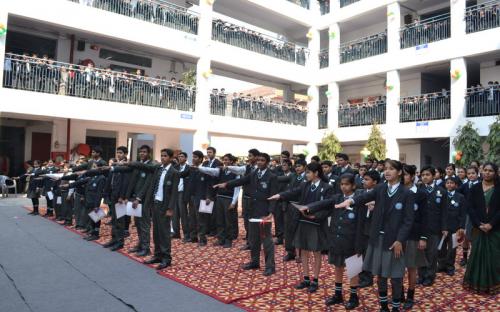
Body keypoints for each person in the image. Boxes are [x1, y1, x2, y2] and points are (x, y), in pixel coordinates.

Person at [328, 159, 414, 312]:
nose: (387, 172)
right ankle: (383, 306)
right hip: (377, 239)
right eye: (386, 169)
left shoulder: (406, 193)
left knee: (395, 276)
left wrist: (400, 240)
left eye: (391, 169)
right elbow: (364, 197)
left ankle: (395, 307)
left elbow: (408, 221)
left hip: (394, 240)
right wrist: (351, 201)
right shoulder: (380, 188)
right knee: (380, 274)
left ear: (399, 172)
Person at [268, 162, 333, 293]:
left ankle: (315, 280)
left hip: (317, 223)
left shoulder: (327, 187)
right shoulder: (305, 185)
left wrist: (316, 216)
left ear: (316, 173)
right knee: (303, 251)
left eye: (308, 172)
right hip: (303, 221)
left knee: (316, 252)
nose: (306, 175)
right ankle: (306, 278)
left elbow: (329, 206)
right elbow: (292, 192)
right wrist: (280, 195)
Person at [304, 173, 364, 309]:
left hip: (353, 241)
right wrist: (309, 207)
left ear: (353, 185)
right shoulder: (337, 198)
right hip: (337, 239)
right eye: (341, 184)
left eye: (347, 184)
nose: (343, 187)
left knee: (353, 270)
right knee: (338, 267)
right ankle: (338, 294)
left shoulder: (359, 200)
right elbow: (324, 203)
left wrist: (360, 244)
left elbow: (361, 225)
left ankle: (354, 297)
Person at [214, 153, 278, 276]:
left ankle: (270, 266)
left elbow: (273, 196)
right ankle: (254, 262)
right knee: (253, 239)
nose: (259, 162)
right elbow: (241, 180)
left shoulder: (272, 176)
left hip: (264, 212)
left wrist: (271, 212)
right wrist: (226, 184)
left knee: (266, 240)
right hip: (252, 210)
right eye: (258, 160)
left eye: (262, 160)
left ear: (267, 162)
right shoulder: (254, 173)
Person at [463, 162, 500, 295]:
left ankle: (494, 284)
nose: (487, 173)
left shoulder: (498, 188)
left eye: (490, 171)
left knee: (494, 257)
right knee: (477, 256)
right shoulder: (475, 188)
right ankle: (476, 282)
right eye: (485, 170)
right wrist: (478, 224)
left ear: (495, 173)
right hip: (478, 228)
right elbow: (470, 208)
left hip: (495, 229)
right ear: (481, 171)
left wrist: (491, 224)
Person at [140, 149, 180, 270]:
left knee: (164, 232)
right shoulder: (158, 169)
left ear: (171, 158)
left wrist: (170, 208)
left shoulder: (174, 172)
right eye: (161, 156)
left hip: (165, 206)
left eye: (165, 156)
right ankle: (157, 255)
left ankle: (166, 258)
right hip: (155, 203)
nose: (163, 158)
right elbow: (152, 185)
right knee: (156, 231)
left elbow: (174, 193)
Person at [401, 164, 428, 310]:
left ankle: (410, 295)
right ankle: (399, 295)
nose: (402, 178)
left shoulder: (421, 193)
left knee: (411, 267)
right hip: (397, 236)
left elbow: (424, 217)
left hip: (413, 235)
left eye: (405, 175)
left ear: (412, 176)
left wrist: (423, 237)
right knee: (397, 268)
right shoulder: (396, 192)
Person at [418, 166, 448, 287]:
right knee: (420, 252)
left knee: (432, 253)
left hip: (435, 227)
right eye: (423, 175)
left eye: (427, 174)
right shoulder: (417, 190)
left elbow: (444, 211)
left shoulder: (441, 191)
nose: (425, 177)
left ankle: (430, 275)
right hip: (420, 227)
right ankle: (421, 274)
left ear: (434, 175)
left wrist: (444, 227)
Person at [125, 145, 156, 257]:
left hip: (143, 200)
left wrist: (139, 198)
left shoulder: (151, 166)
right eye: (140, 152)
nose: (142, 154)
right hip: (134, 198)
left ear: (149, 153)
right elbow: (133, 181)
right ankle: (140, 244)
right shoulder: (138, 165)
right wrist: (128, 197)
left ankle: (146, 248)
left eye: (144, 152)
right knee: (137, 223)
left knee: (144, 224)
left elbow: (147, 185)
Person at [101, 146, 132, 251]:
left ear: (125, 154)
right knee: (114, 219)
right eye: (117, 152)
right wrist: (107, 193)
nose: (118, 154)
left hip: (120, 197)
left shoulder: (126, 165)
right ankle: (113, 239)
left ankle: (119, 242)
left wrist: (122, 196)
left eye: (121, 153)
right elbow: (110, 180)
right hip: (113, 195)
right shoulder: (114, 164)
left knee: (120, 220)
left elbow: (126, 183)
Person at [438, 176, 466, 276]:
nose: (449, 184)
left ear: (456, 185)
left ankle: (450, 266)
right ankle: (441, 265)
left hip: (455, 227)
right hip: (442, 227)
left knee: (452, 248)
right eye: (447, 183)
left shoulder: (460, 197)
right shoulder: (441, 195)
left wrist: (462, 227)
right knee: (441, 247)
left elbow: (463, 214)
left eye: (451, 183)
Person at [358, 170, 381, 289]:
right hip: (360, 227)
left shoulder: (380, 194)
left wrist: (376, 206)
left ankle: (368, 277)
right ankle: (360, 276)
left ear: (375, 182)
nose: (363, 181)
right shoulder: (360, 192)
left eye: (367, 179)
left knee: (368, 254)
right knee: (359, 252)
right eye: (363, 179)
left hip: (372, 228)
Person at [457, 166, 480, 266]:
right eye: (469, 173)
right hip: (466, 214)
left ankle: (474, 258)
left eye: (473, 173)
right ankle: (465, 258)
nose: (471, 175)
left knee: (475, 236)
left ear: (477, 174)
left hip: (477, 214)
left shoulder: (481, 185)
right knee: (466, 236)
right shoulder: (465, 185)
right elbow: (457, 193)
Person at [173, 152, 191, 241]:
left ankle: (187, 235)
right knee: (174, 214)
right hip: (174, 193)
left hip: (183, 193)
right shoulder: (175, 167)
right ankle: (176, 233)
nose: (180, 158)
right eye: (179, 157)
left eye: (182, 157)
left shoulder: (189, 168)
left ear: (186, 158)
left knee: (183, 215)